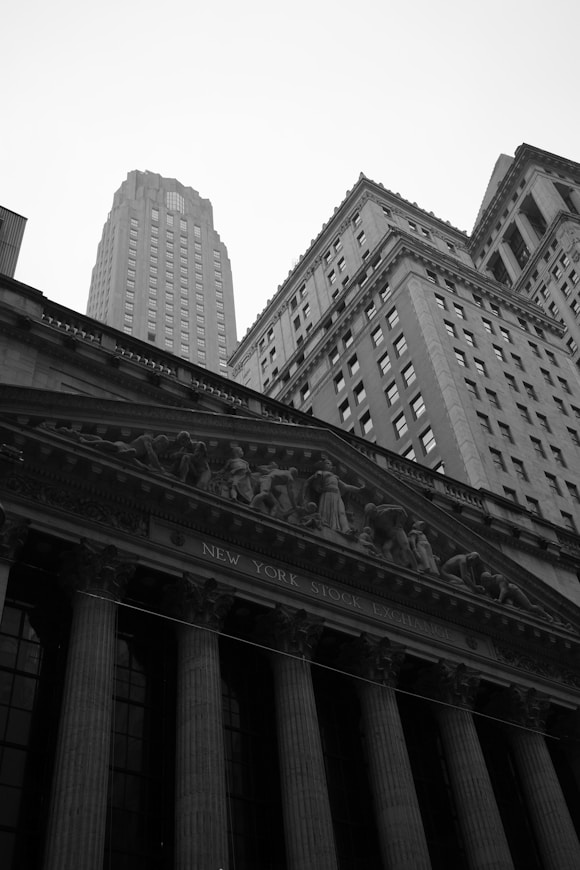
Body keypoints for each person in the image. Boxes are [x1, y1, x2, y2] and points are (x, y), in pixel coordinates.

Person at [303, 459, 364, 533]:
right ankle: (327, 526)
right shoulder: (320, 473)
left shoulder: (335, 477)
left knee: (342, 512)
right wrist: (321, 489)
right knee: (327, 512)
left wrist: (358, 489)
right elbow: (316, 486)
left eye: (330, 464)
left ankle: (346, 529)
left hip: (337, 495)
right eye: (327, 463)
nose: (329, 465)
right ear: (323, 465)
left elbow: (345, 486)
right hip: (328, 494)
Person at [363, 503, 418, 570]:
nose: (371, 517)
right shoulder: (373, 520)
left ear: (375, 511)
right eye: (369, 515)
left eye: (371, 514)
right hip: (390, 537)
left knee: (406, 548)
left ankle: (416, 568)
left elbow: (401, 510)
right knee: (385, 549)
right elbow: (367, 527)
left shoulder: (385, 511)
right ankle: (391, 566)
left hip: (397, 531)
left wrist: (397, 526)